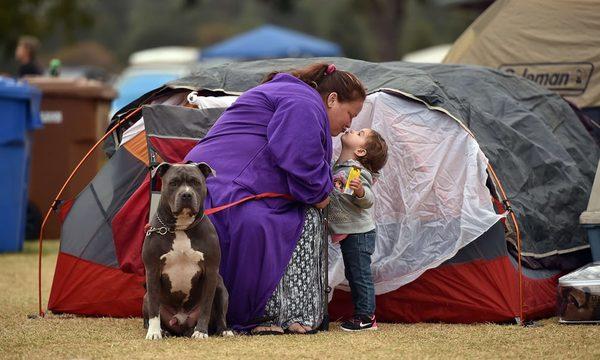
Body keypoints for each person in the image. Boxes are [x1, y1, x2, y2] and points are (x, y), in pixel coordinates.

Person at [184, 62, 366, 334]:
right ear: (332, 99)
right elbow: (297, 155)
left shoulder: (290, 94)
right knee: (289, 220)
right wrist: (320, 192)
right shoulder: (303, 101)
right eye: (351, 114)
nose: (349, 124)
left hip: (207, 184)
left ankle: (278, 313)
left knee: (284, 217)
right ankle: (266, 314)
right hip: (224, 189)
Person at [327, 128, 388, 331]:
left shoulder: (357, 172)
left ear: (360, 151)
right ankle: (363, 314)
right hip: (351, 232)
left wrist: (360, 191)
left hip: (359, 233)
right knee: (354, 274)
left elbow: (369, 199)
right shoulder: (341, 165)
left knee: (359, 275)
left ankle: (366, 317)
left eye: (360, 133)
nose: (352, 129)